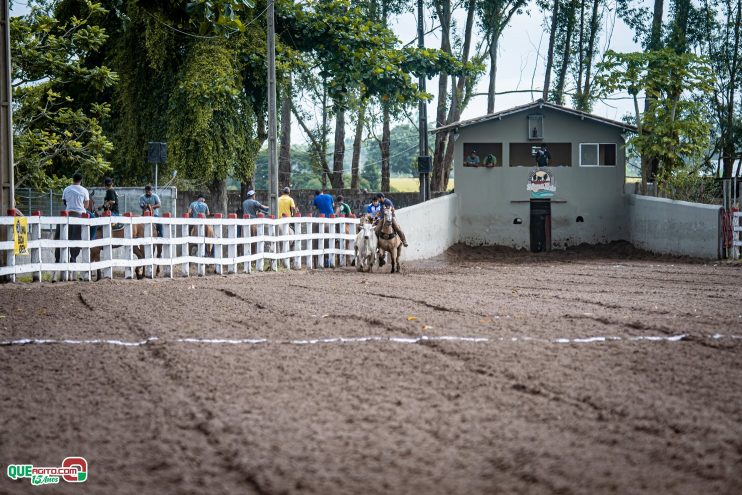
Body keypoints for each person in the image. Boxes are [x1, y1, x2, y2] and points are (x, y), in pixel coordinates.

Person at [61, 172, 90, 262]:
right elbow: (87, 205)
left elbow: (64, 202)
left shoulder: (66, 189)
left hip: (68, 213)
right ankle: (92, 238)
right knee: (94, 220)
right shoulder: (84, 190)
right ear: (81, 180)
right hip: (80, 214)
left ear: (73, 179)